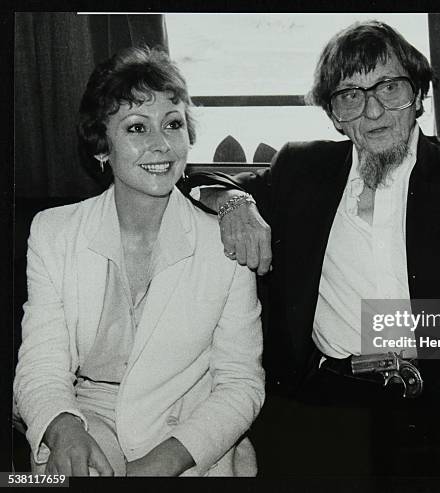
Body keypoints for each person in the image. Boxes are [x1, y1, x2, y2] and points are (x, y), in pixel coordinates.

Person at [192, 21, 440, 477]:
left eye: (390, 87)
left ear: (418, 96)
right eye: (351, 95)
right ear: (335, 115)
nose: (374, 111)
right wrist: (236, 203)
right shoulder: (302, 168)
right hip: (328, 400)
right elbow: (201, 183)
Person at [13, 46, 265, 477]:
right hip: (85, 418)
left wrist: (164, 461)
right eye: (136, 127)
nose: (161, 144)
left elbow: (240, 384)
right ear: (101, 147)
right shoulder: (53, 233)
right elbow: (41, 363)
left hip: (186, 431)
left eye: (173, 124)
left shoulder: (226, 241)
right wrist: (61, 426)